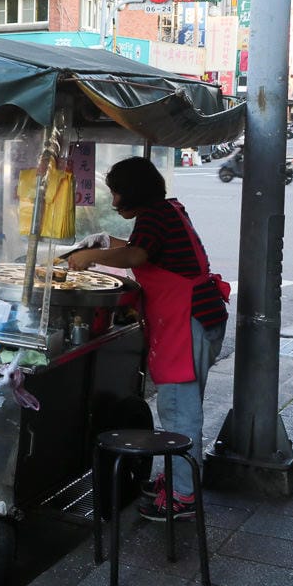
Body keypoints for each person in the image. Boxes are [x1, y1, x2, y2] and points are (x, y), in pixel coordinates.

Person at [67, 156, 228, 521]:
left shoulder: (156, 215)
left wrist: (91, 256)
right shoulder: (165, 210)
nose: (113, 201)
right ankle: (176, 480)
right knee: (179, 407)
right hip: (195, 317)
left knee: (180, 411)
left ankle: (184, 496)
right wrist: (107, 242)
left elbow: (137, 253)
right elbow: (142, 247)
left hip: (188, 322)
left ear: (133, 192)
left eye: (116, 192)